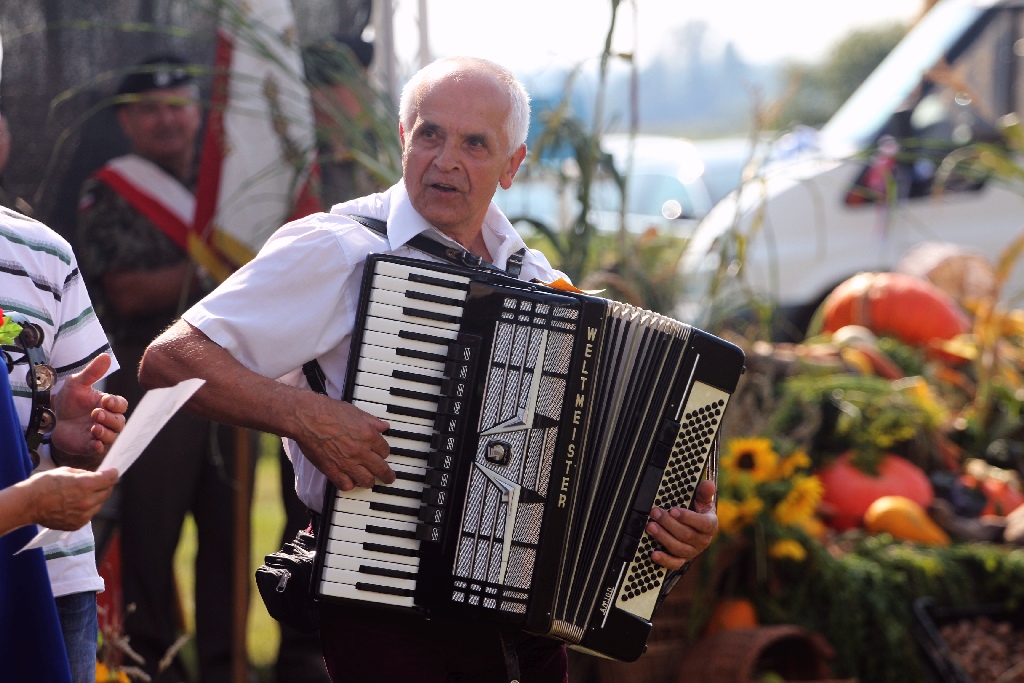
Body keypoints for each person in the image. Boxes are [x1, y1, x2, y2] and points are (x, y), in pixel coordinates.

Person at [139, 56, 719, 682]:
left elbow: (598, 466)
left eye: (475, 144)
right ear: (404, 139)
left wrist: (680, 526)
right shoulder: (339, 248)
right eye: (430, 134)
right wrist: (305, 415)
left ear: (512, 165)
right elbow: (170, 359)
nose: (446, 160)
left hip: (522, 618)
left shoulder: (537, 280)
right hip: (380, 592)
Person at [76, 55, 249, 683]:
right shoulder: (110, 189)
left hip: (229, 380)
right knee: (151, 539)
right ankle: (154, 669)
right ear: (127, 122)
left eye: (178, 106)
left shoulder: (229, 188)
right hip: (149, 385)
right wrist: (216, 268)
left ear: (198, 113)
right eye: (150, 110)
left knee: (228, 539)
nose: (167, 120)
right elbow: (126, 291)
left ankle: (227, 666)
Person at [1, 203, 128, 682]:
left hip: (53, 577)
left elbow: (69, 438)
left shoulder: (44, 252)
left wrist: (70, 437)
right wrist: (28, 504)